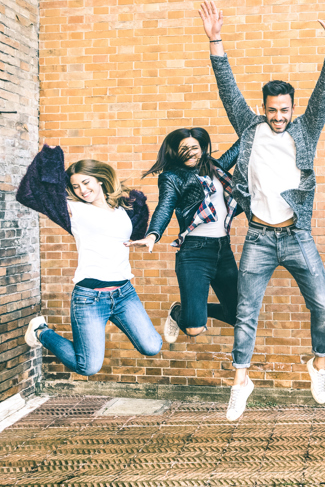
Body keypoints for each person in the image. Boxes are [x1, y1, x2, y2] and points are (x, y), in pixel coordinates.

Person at [200, 0, 325, 419]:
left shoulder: (306, 127)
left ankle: (318, 363)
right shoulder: (250, 129)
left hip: (296, 235)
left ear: (292, 108)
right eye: (272, 110)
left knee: (322, 304)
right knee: (246, 311)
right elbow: (225, 86)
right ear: (263, 108)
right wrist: (216, 40)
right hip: (260, 237)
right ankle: (240, 381)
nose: (278, 116)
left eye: (284, 110)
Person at [18, 144, 162, 375]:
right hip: (90, 298)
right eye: (76, 186)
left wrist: (146, 239)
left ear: (100, 180)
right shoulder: (74, 209)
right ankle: (41, 332)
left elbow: (135, 232)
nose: (82, 190)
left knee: (152, 346)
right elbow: (31, 193)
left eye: (86, 182)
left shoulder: (124, 209)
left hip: (124, 293)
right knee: (88, 367)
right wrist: (51, 160)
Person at [129, 128, 242, 343]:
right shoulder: (171, 177)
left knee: (237, 316)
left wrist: (255, 124)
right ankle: (180, 313)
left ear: (201, 149)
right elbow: (165, 206)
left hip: (222, 250)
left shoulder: (213, 166)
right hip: (194, 253)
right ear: (174, 152)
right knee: (193, 329)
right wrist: (153, 234)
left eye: (194, 148)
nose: (190, 153)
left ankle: (192, 309)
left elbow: (239, 148)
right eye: (184, 149)